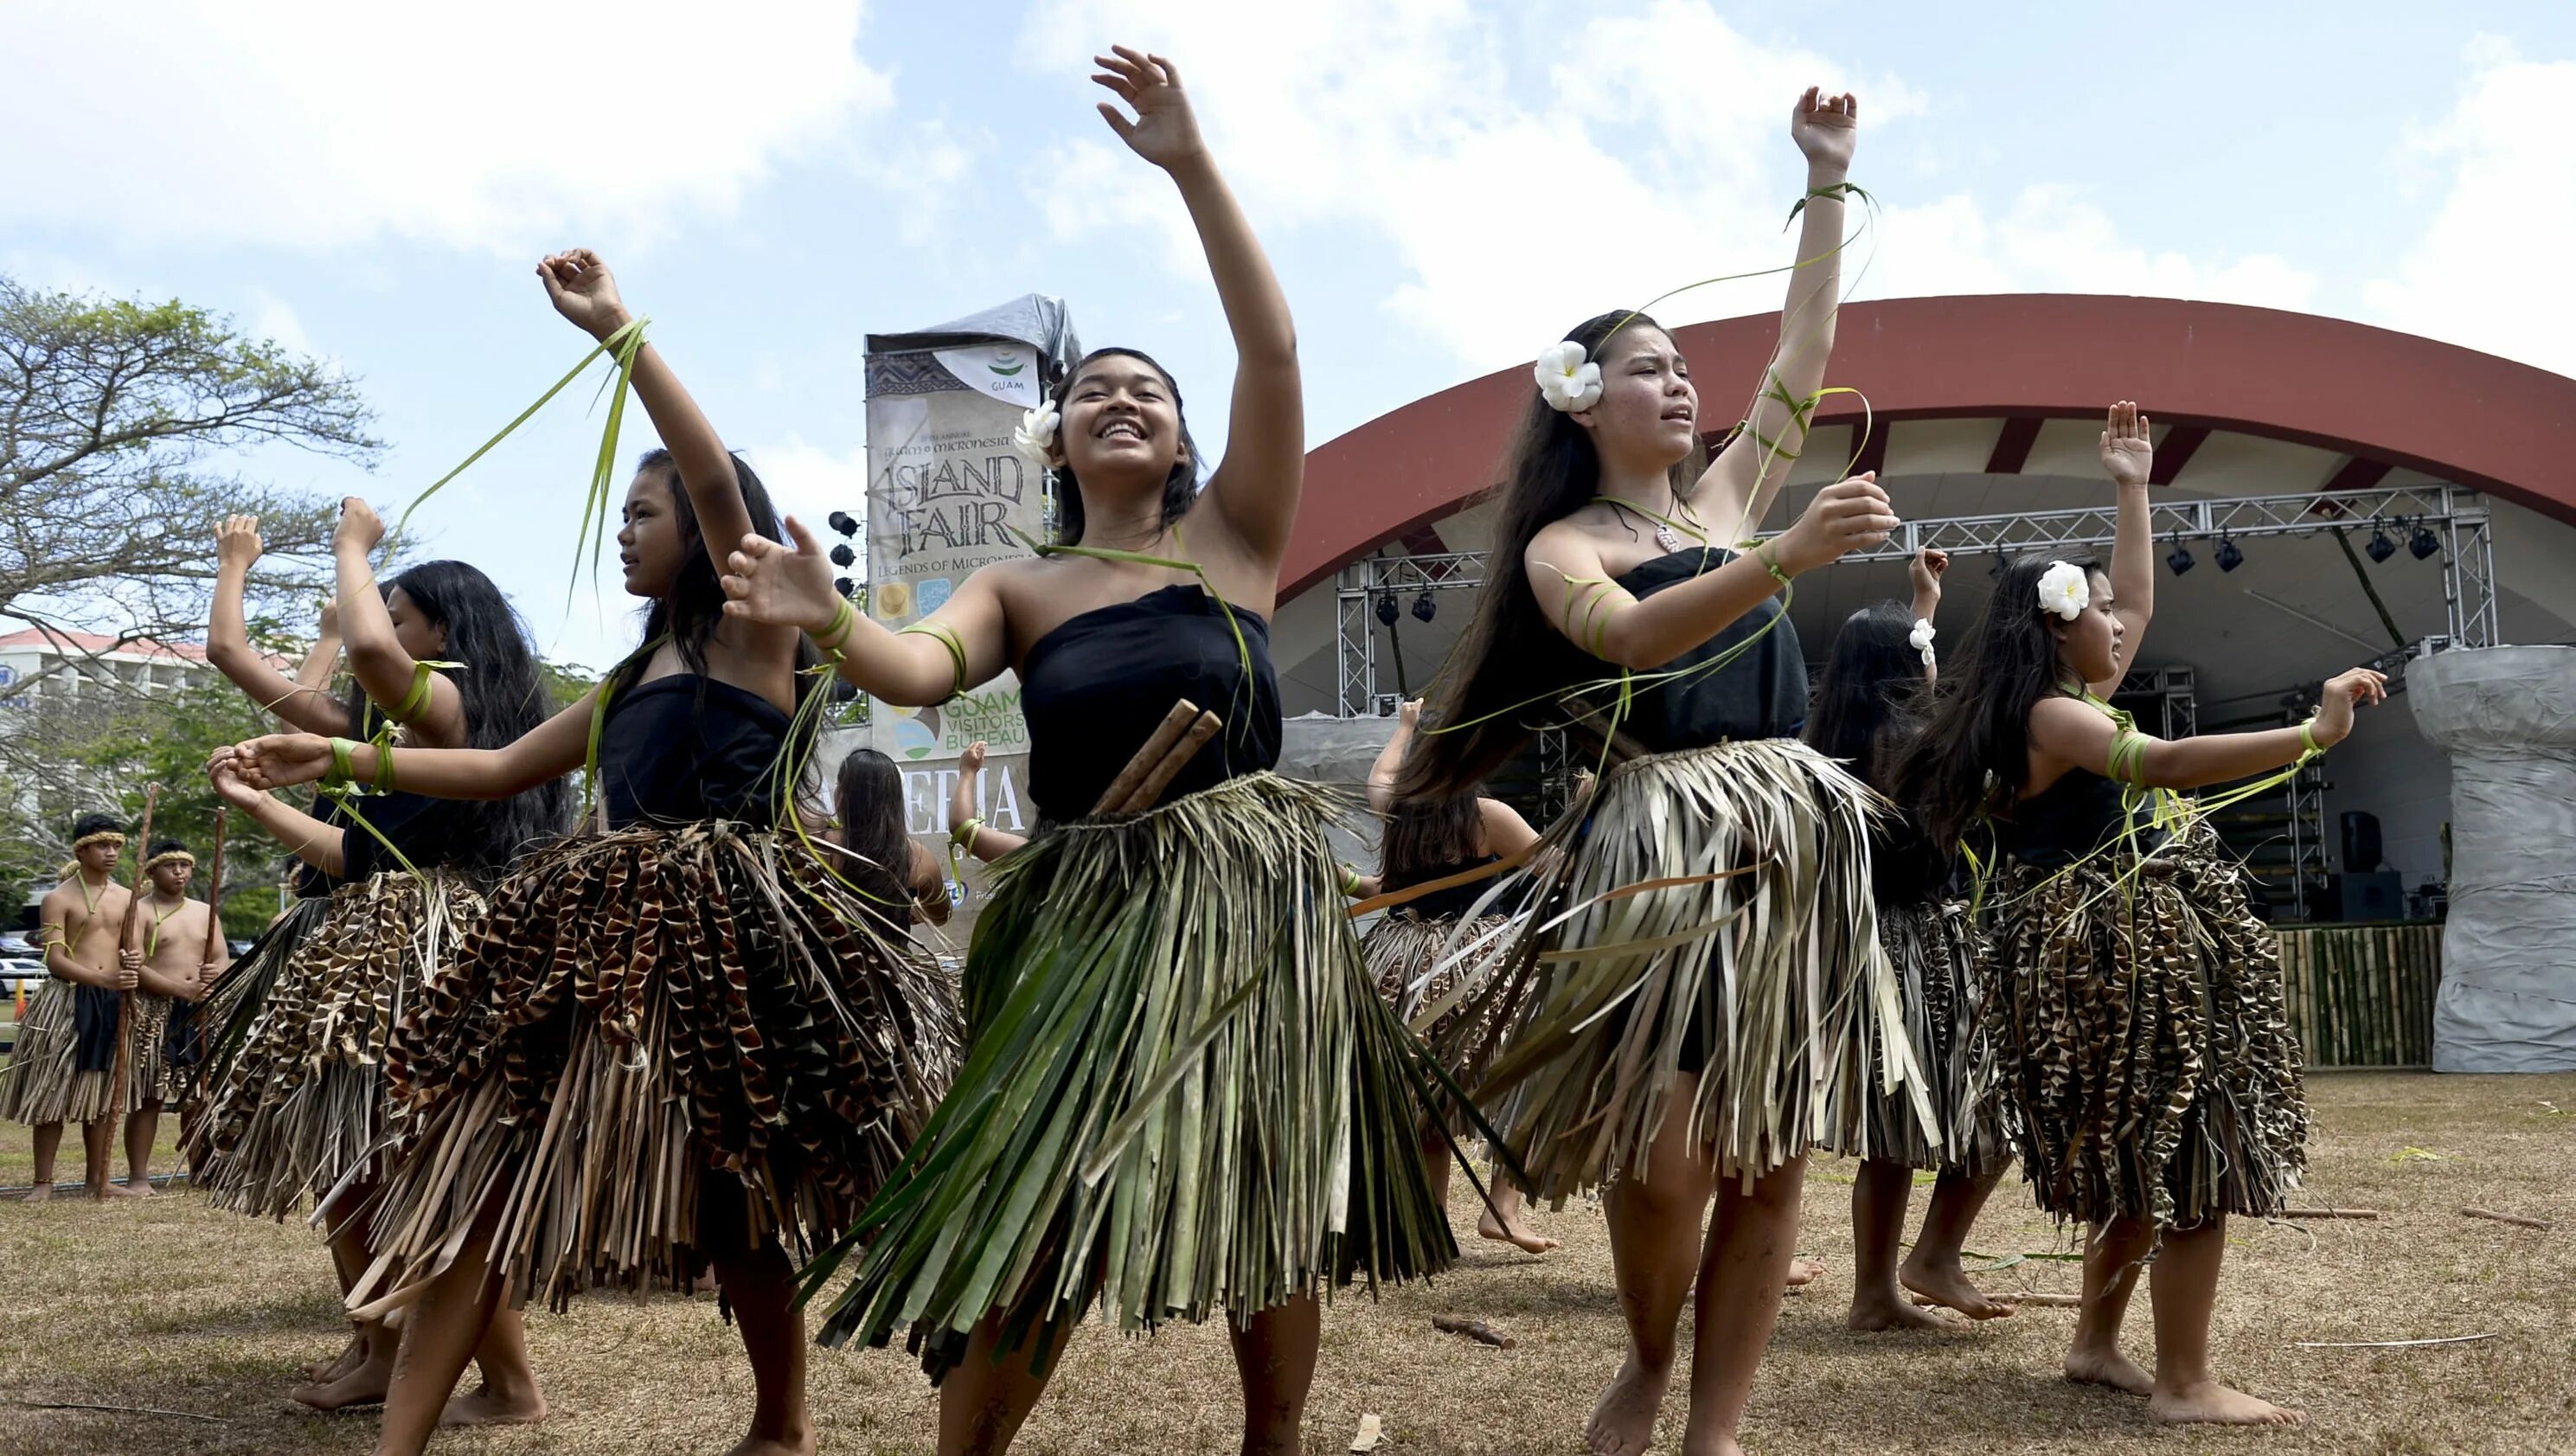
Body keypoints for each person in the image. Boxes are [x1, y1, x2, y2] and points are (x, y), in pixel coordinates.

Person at [722, 49, 1445, 1456]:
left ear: (1178, 437)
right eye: (1098, 389)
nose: (1125, 399)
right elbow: (920, 665)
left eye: (1149, 391)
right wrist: (827, 623)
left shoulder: (1235, 534)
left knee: (1267, 1179)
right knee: (1030, 1189)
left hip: (1246, 913)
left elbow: (1274, 352)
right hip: (1090, 911)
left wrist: (1187, 162)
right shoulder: (1022, 582)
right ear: (1056, 435)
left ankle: (1271, 1438)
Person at [224, 247, 957, 1456]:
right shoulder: (630, 679)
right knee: (480, 1183)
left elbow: (719, 478)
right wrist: (342, 761)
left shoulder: (751, 638)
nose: (626, 531)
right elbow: (497, 770)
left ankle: (780, 1421)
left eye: (642, 511)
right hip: (600, 940)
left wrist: (619, 333)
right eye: (625, 510)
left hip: (734, 937)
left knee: (743, 1214)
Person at [1393, 87, 1894, 1456]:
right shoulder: (1570, 543)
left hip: (1787, 833)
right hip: (1658, 844)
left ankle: (1715, 1423)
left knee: (1773, 1143)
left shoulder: (1723, 498)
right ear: (1580, 401)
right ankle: (1648, 1354)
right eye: (1644, 367)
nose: (1678, 381)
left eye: (1683, 367)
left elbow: (1804, 349)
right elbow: (1624, 635)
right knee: (1665, 1151)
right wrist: (1782, 559)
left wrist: (1826, 180)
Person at [1898, 401, 2386, 1426]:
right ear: (2052, 626)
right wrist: (2309, 733)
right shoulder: (2054, 715)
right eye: (2094, 615)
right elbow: (2157, 763)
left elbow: (2139, 604)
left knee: (2139, 1152)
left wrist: (2130, 486)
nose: (2117, 623)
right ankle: (2182, 1380)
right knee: (2188, 1144)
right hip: (2118, 949)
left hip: (2110, 940)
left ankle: (2093, 1346)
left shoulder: (2052, 695)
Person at [193, 516, 568, 1417]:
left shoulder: (450, 709)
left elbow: (360, 646)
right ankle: (385, 1347)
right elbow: (347, 851)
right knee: (357, 1161)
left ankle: (481, 1374)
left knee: (397, 1165)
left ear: (445, 633)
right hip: (380, 930)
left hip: (432, 947)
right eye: (388, 617)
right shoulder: (397, 729)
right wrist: (233, 567)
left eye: (402, 619)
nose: (384, 632)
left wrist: (352, 544)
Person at [1804, 549, 2019, 1329]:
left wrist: (1922, 602)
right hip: (1925, 946)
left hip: (1857, 950)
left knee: (1890, 1135)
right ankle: (1934, 1254)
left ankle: (1874, 1294)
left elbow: (1912, 681)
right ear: (1908, 667)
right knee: (2001, 1105)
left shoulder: (1823, 751)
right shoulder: (1924, 746)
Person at [1358, 699, 1556, 1254]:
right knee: (1524, 1077)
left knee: (1428, 1096)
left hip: (1402, 963)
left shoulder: (1396, 809)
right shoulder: (1487, 818)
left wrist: (1403, 728)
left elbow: (1380, 775)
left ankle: (1432, 1222)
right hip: (1475, 961)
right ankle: (1501, 1210)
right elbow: (1555, 871)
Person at [3, 812, 140, 1201]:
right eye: (102, 845)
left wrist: (132, 964)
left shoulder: (128, 898)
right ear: (81, 850)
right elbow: (55, 960)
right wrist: (102, 979)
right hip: (65, 1001)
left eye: (116, 845)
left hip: (113, 1003)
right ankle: (42, 1182)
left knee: (102, 1095)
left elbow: (135, 949)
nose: (111, 852)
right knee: (53, 1090)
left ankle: (98, 1179)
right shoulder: (58, 898)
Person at [125, 837, 225, 1193]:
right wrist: (180, 989)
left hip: (199, 1009)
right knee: (149, 1095)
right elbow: (135, 965)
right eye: (171, 866)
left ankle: (201, 1169)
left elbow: (220, 956)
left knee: (199, 1093)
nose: (180, 872)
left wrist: (214, 977)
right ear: (152, 871)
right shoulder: (139, 911)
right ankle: (139, 1177)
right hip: (157, 1009)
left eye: (185, 866)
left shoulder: (204, 911)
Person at [829, 744, 952, 931]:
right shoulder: (919, 859)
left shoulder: (819, 846)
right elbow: (942, 915)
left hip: (826, 959)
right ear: (894, 800)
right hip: (891, 959)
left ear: (842, 795)